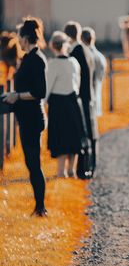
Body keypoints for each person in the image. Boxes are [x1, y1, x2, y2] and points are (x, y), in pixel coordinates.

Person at [3, 17, 48, 217]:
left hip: (32, 119)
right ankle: (39, 207)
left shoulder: (37, 60)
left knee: (34, 164)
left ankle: (40, 208)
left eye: (20, 36)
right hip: (26, 118)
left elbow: (39, 91)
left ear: (26, 38)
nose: (18, 40)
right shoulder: (28, 59)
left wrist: (17, 96)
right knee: (31, 164)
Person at [46, 31, 84, 177]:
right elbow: (78, 84)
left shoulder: (53, 64)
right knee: (74, 136)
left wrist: (42, 104)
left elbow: (47, 87)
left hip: (58, 103)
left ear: (53, 46)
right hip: (73, 102)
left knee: (61, 137)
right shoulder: (74, 62)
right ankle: (71, 170)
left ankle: (61, 171)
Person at [63, 21, 98, 178]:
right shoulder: (86, 50)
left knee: (83, 133)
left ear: (67, 35)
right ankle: (90, 166)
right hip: (89, 96)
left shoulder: (76, 51)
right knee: (90, 132)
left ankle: (83, 169)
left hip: (81, 97)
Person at [81, 27, 106, 174]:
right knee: (94, 132)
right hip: (97, 96)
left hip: (87, 98)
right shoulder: (101, 57)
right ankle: (94, 162)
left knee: (87, 132)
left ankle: (87, 164)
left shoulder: (86, 56)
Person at [81, 27, 107, 117]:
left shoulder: (83, 56)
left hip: (85, 97)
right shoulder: (101, 57)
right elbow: (101, 76)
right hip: (96, 93)